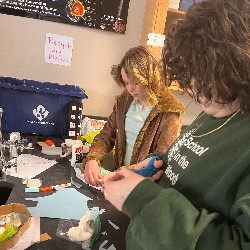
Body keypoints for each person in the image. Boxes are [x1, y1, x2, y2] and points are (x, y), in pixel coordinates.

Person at [103, 0, 250, 249]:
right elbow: (191, 159)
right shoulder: (216, 111)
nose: (191, 87)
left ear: (237, 62)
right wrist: (157, 162)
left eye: (203, 76)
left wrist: (141, 199)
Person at [83, 46, 185, 186]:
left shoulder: (169, 111)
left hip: (145, 187)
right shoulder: (125, 100)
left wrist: (122, 174)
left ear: (150, 78)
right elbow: (107, 134)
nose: (130, 89)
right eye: (126, 83)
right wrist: (92, 158)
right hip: (119, 179)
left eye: (135, 83)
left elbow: (161, 159)